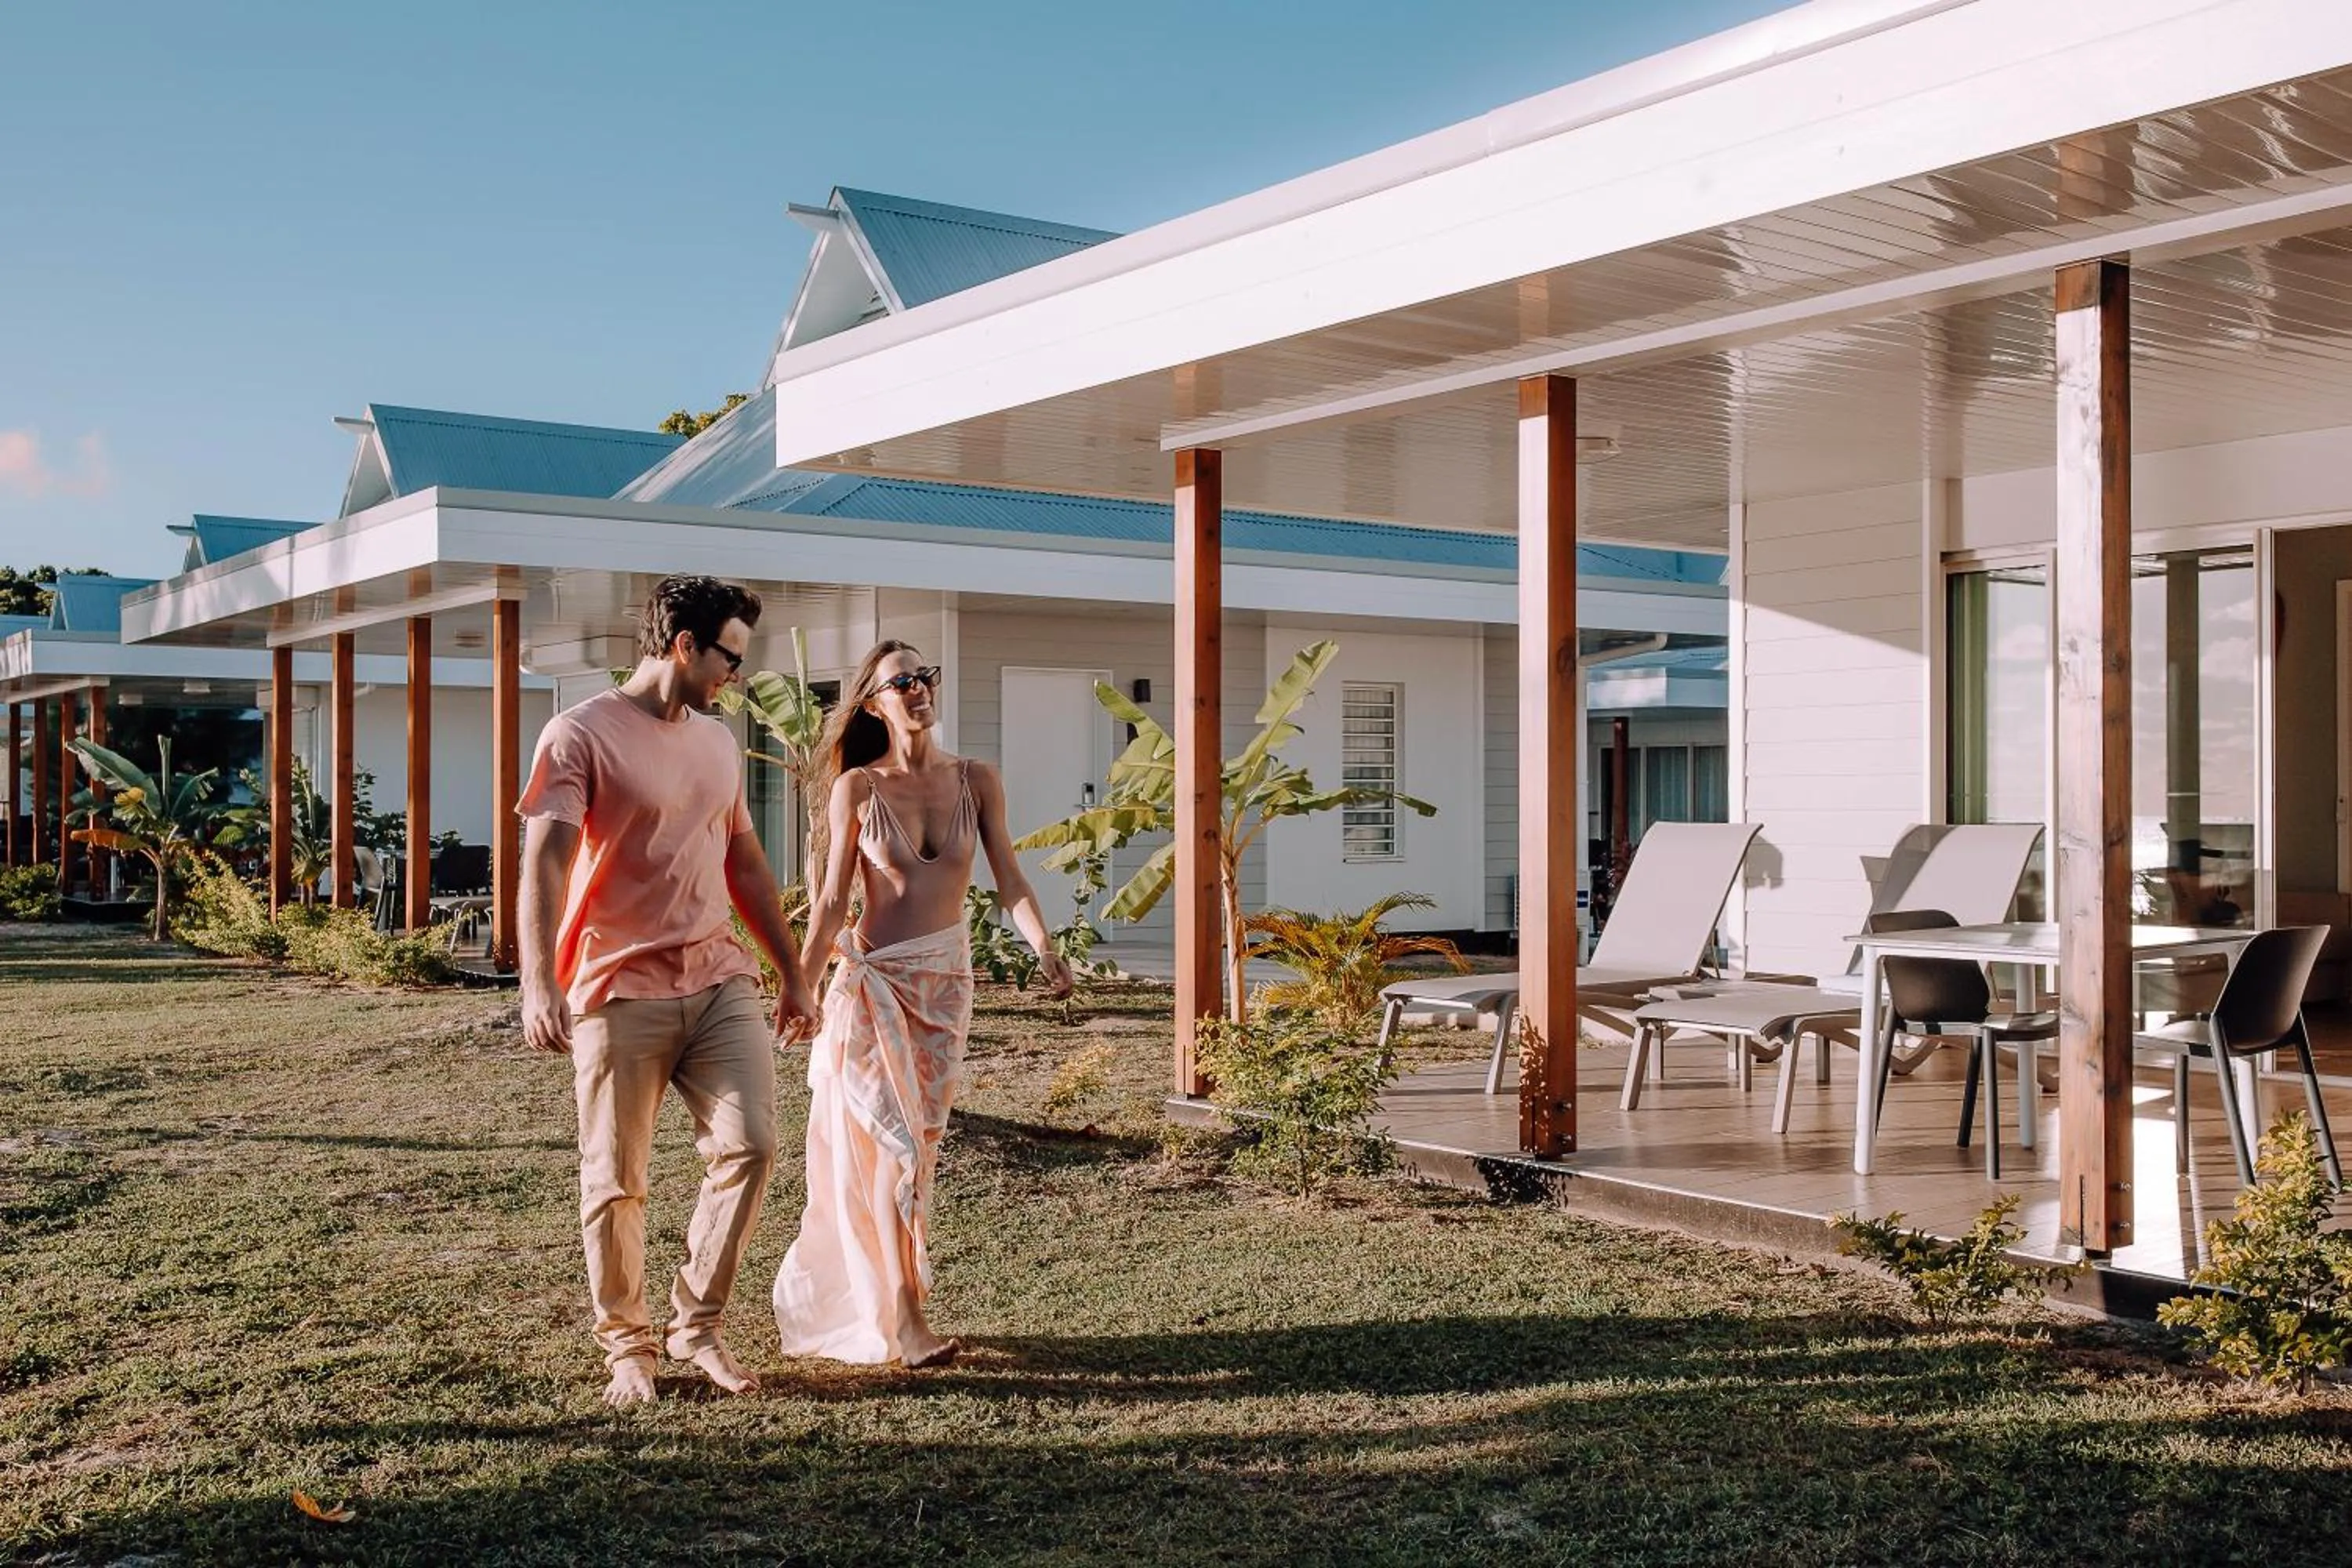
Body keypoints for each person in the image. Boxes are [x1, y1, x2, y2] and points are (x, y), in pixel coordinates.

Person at [518, 574, 818, 1407]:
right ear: (683, 645)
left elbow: (747, 864)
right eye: (730, 656)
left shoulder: (718, 741)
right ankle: (627, 1343)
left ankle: (696, 1323)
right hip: (619, 984)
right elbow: (544, 856)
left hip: (718, 976)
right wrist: (538, 978)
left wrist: (793, 972)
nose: (737, 675)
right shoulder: (579, 733)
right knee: (616, 1176)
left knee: (751, 1143)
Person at [772, 639, 1072, 1367]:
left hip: (946, 985)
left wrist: (1044, 947)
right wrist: (800, 985)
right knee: (895, 1147)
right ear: (874, 703)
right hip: (873, 986)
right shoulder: (859, 789)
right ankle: (905, 1321)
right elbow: (832, 903)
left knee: (920, 1151)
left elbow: (1010, 880)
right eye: (900, 681)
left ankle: (901, 1302)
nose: (918, 688)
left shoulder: (976, 780)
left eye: (924, 675)